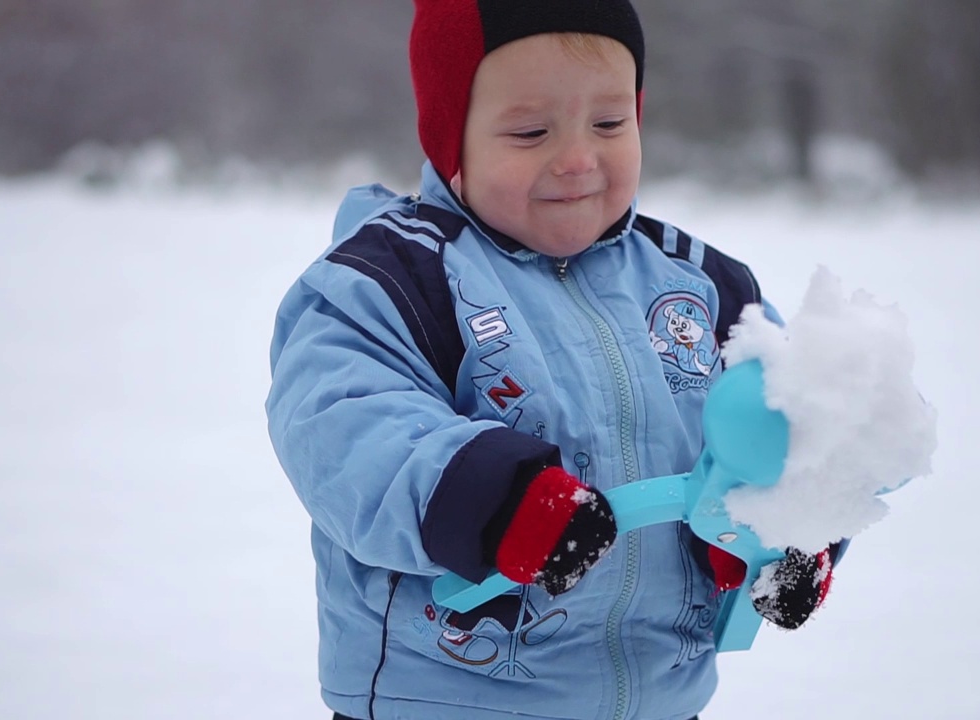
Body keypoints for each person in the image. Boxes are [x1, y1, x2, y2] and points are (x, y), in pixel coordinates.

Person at [266, 2, 841, 719]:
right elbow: (342, 425)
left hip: (662, 699)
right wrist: (490, 499)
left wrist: (785, 532)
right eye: (530, 131)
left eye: (609, 124)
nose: (576, 159)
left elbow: (780, 429)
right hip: (449, 696)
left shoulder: (703, 290)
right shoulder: (394, 279)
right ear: (454, 138)